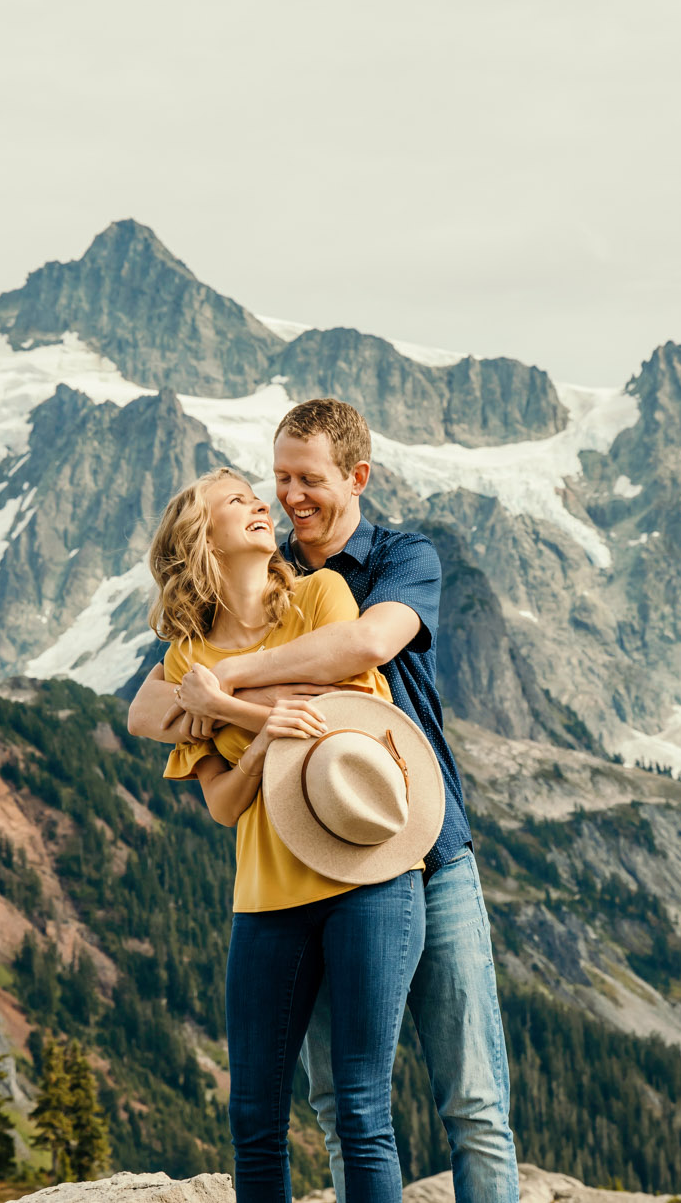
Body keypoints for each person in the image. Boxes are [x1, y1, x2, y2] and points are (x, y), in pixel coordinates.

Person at [129, 400, 518, 1203]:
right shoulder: (278, 591)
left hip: (427, 846)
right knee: (341, 1103)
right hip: (311, 854)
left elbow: (364, 650)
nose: (289, 495)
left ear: (357, 477)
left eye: (308, 478)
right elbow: (146, 711)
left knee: (474, 1100)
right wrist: (228, 689)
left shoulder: (396, 562)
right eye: (278, 479)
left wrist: (223, 687)